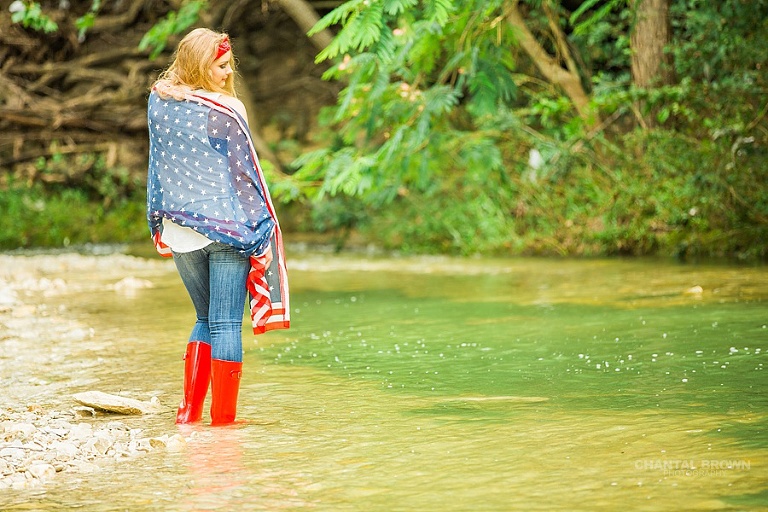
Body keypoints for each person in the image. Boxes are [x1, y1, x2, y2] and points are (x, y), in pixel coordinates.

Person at [146, 28, 290, 426]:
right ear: (198, 65)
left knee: (204, 319)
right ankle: (223, 423)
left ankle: (188, 415)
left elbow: (165, 165)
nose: (228, 75)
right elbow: (243, 176)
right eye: (221, 67)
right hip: (228, 230)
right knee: (226, 322)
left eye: (229, 66)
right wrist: (260, 229)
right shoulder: (228, 110)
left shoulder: (158, 102)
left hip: (180, 230)